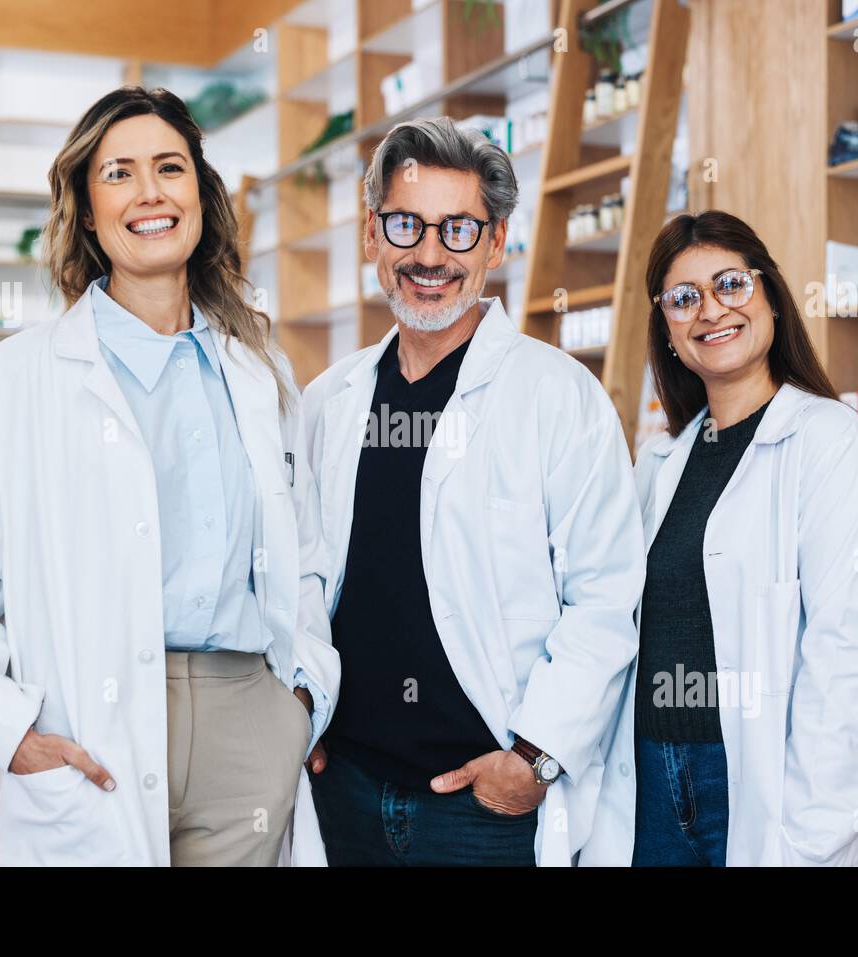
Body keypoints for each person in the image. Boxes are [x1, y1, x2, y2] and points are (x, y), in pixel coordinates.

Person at [0, 86, 338, 866]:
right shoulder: (20, 380)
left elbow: (308, 555)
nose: (150, 193)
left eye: (170, 167)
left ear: (200, 192)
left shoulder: (260, 371)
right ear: (88, 211)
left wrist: (300, 699)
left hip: (246, 724)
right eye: (119, 174)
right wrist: (12, 731)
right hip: (94, 727)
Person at [301, 116, 646, 866]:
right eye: (406, 225)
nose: (429, 254)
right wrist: (303, 711)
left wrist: (535, 759)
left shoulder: (559, 397)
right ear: (371, 235)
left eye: (458, 229)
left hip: (482, 808)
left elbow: (607, 597)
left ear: (495, 242)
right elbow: (298, 581)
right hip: (344, 788)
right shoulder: (329, 401)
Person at [582, 210, 858, 866]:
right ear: (667, 330)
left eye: (731, 283)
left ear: (771, 299)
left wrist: (815, 833)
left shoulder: (831, 445)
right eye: (684, 297)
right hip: (643, 776)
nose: (711, 309)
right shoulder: (660, 459)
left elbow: (849, 660)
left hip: (754, 782)